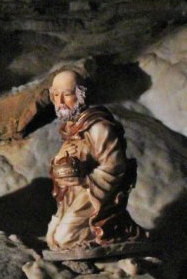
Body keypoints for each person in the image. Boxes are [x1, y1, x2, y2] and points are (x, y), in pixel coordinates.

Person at [46, 70, 149, 251]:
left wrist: (85, 180)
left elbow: (114, 167)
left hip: (94, 195)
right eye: (56, 95)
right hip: (73, 194)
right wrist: (60, 164)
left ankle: (114, 236)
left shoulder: (98, 127)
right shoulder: (70, 128)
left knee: (64, 240)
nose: (60, 101)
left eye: (67, 94)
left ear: (81, 95)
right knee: (52, 239)